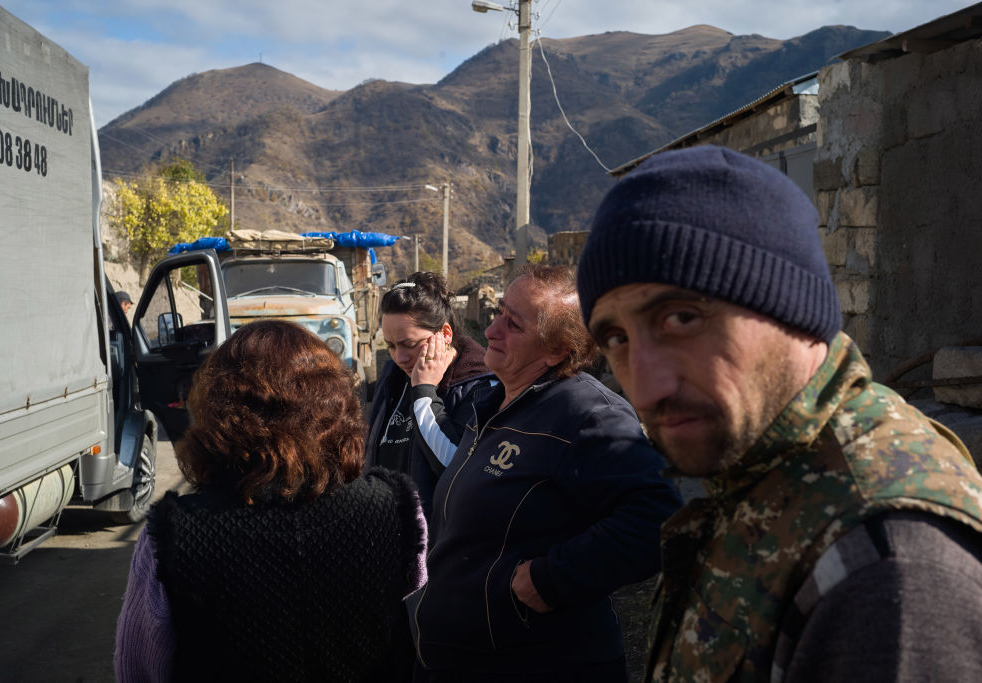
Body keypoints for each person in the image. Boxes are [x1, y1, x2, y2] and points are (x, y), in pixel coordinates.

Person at [576, 144, 982, 682]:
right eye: (617, 337)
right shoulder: (758, 468)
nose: (646, 387)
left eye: (681, 317)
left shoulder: (891, 566)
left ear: (790, 310)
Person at [410, 265, 682, 682]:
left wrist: (553, 578)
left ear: (555, 351)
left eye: (512, 324)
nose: (491, 330)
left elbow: (659, 518)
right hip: (463, 659)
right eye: (498, 312)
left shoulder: (589, 415)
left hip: (538, 665)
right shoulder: (493, 403)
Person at [114, 320, 427, 683]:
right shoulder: (396, 507)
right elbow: (420, 619)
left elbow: (138, 667)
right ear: (336, 404)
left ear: (218, 413)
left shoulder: (173, 534)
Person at [366, 271, 495, 520]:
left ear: (445, 334)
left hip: (434, 543)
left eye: (409, 344)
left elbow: (456, 469)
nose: (399, 357)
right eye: (390, 345)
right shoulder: (394, 373)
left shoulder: (478, 386)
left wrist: (424, 391)